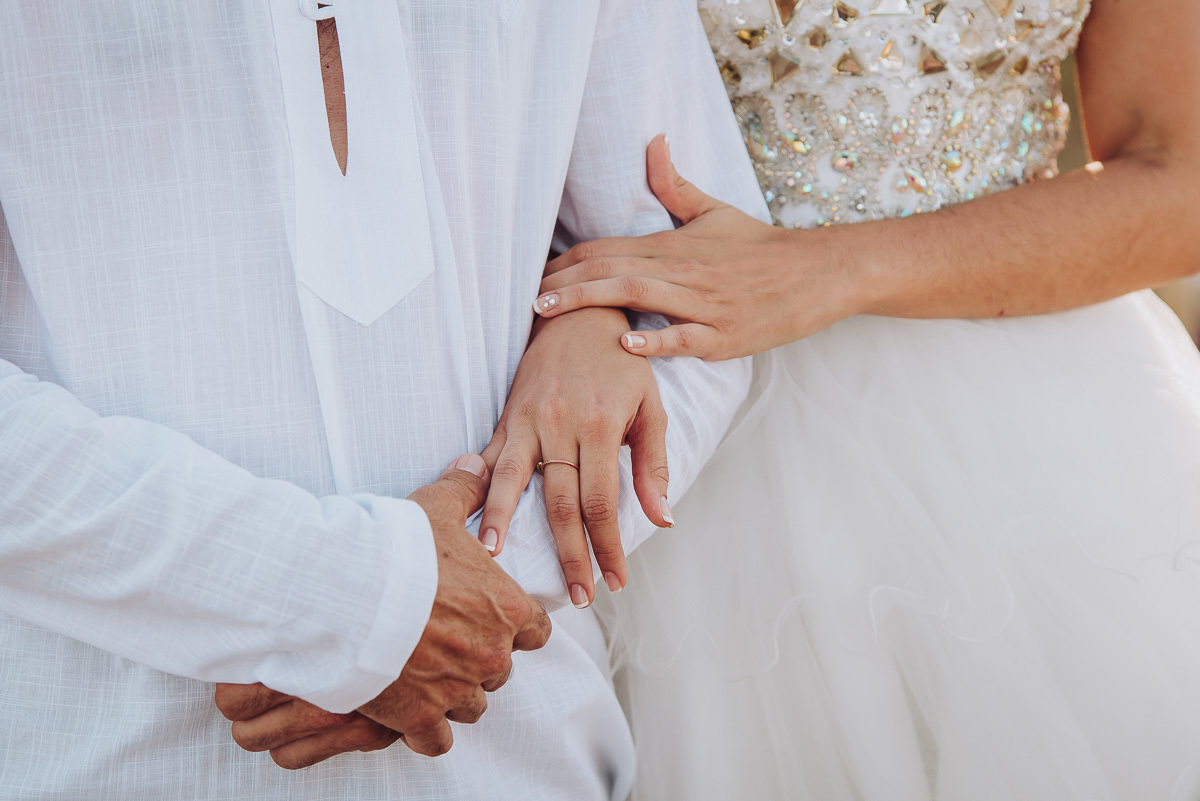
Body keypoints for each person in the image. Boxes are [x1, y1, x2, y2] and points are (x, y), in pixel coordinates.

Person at [0, 0, 769, 798]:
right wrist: (342, 598)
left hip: (521, 751)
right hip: (103, 750)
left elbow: (694, 302)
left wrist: (447, 593)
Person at [527, 0, 1200, 798]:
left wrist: (831, 269)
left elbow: (1179, 179)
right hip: (683, 413)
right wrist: (582, 304)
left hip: (1034, 436)